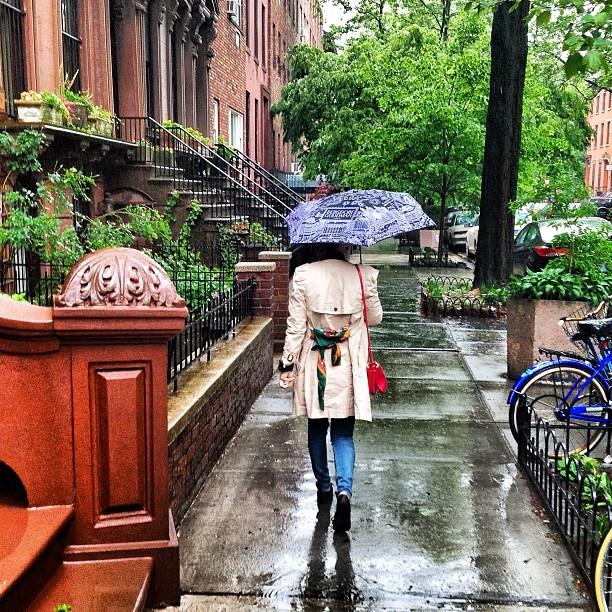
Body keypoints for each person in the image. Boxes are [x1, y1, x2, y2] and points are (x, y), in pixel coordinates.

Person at [278, 243, 383, 532]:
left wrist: (288, 363)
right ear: (347, 245)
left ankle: (324, 487)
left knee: (316, 428)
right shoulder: (364, 276)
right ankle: (344, 492)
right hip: (346, 365)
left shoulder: (303, 275)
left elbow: (296, 327)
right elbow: (375, 318)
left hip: (315, 363)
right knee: (343, 433)